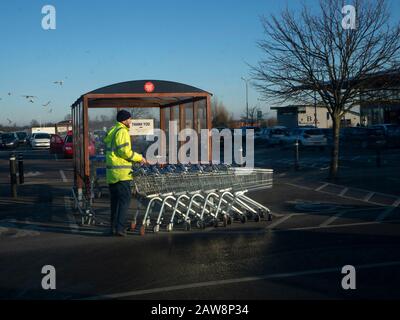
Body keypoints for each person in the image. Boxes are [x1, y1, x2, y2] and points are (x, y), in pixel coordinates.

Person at [104, 110, 147, 236]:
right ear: (124, 120)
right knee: (124, 201)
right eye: (129, 119)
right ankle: (120, 228)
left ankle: (113, 227)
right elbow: (125, 152)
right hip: (121, 173)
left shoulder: (113, 131)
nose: (131, 121)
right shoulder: (122, 131)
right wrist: (140, 158)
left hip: (112, 173)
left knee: (115, 202)